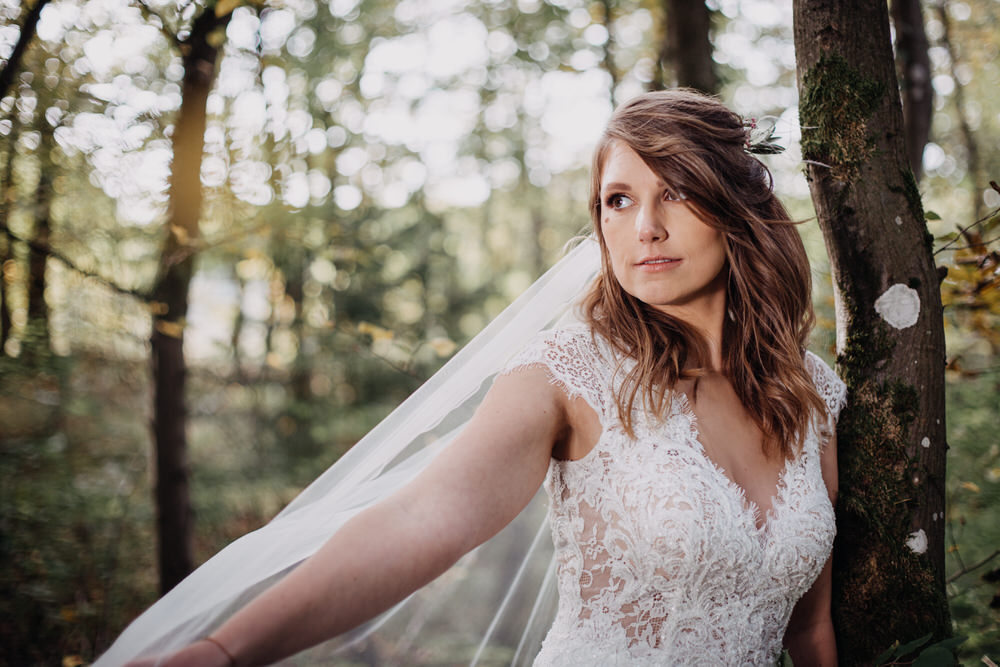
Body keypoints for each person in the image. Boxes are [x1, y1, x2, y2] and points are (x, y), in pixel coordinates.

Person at [109, 88, 846, 666]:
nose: (644, 226)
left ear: (737, 208)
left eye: (676, 191)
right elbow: (421, 518)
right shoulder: (569, 372)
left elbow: (810, 626)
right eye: (618, 200)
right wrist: (226, 650)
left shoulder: (809, 394)